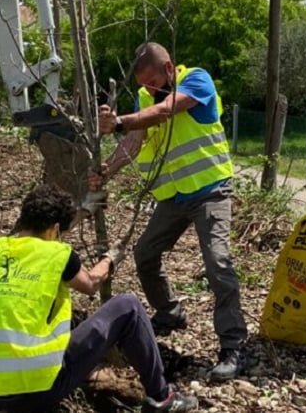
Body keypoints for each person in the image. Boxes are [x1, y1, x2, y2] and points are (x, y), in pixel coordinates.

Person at [88, 42, 248, 381]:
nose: (149, 89)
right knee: (145, 253)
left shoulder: (196, 80)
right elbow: (134, 140)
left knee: (218, 262)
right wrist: (106, 171)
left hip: (210, 190)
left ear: (169, 67)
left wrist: (117, 121)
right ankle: (170, 312)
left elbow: (167, 110)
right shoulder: (145, 99)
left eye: (153, 81)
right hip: (173, 196)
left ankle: (233, 345)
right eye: (143, 83)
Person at [0, 185, 198, 412]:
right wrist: (110, 259)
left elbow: (40, 233)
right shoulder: (57, 255)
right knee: (129, 306)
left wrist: (85, 209)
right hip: (41, 386)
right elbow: (90, 284)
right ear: (55, 229)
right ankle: (162, 397)